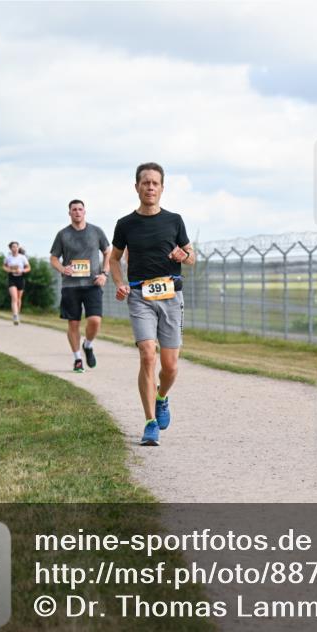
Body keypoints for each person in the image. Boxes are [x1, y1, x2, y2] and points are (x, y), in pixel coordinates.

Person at [109, 162, 195, 447]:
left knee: (170, 366)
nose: (150, 187)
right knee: (148, 354)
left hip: (171, 296)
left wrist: (183, 255)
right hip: (140, 296)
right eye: (145, 182)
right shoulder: (125, 224)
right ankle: (149, 423)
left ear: (162, 188)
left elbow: (192, 256)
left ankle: (161, 397)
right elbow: (113, 259)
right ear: (136, 187)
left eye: (155, 183)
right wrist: (119, 282)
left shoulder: (174, 220)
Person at [49, 200, 111, 372]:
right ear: (69, 213)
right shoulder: (63, 234)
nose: (77, 212)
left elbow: (108, 252)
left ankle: (88, 345)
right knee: (73, 324)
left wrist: (104, 273)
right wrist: (63, 268)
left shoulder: (96, 231)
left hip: (93, 284)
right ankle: (77, 359)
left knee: (95, 321)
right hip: (71, 286)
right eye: (74, 209)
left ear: (85, 212)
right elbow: (53, 258)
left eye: (80, 209)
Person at [3, 242, 31, 325]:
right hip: (12, 278)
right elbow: (4, 266)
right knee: (14, 298)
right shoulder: (8, 258)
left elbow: (28, 268)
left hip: (20, 278)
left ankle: (17, 315)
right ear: (10, 248)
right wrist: (8, 269)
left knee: (18, 299)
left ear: (18, 248)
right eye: (13, 247)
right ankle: (15, 316)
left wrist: (22, 270)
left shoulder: (22, 257)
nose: (15, 248)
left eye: (16, 247)